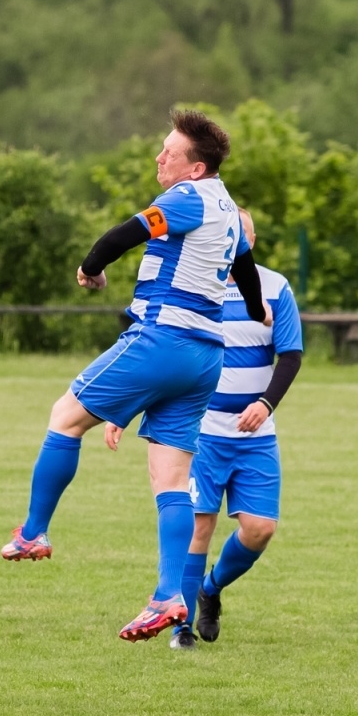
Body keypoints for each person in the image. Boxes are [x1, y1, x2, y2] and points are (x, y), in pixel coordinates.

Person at [1, 109, 270, 644]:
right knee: (170, 481)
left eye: (168, 152)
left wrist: (91, 266)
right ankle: (169, 596)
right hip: (204, 358)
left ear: (195, 168)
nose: (159, 158)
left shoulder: (187, 199)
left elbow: (128, 232)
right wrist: (258, 307)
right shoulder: (227, 209)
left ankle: (33, 533)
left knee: (65, 417)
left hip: (161, 340)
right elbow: (243, 269)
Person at [104, 210, 303, 650]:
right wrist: (122, 409)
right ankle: (183, 629)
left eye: (242, 240)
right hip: (200, 434)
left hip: (256, 438)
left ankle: (210, 589)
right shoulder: (188, 286)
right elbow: (149, 355)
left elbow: (290, 355)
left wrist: (265, 402)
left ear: (249, 242)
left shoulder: (274, 288)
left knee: (260, 530)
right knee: (199, 526)